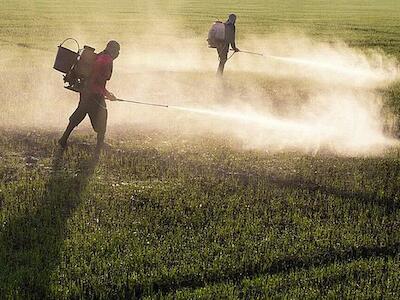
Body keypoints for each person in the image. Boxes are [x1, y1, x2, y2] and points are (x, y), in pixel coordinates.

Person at [58, 40, 120, 150]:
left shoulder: (100, 56)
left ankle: (63, 139)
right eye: (117, 51)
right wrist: (108, 94)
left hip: (86, 91)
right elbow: (98, 80)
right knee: (102, 117)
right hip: (94, 94)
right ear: (113, 50)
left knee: (80, 113)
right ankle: (99, 146)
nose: (118, 54)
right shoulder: (107, 60)